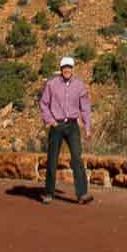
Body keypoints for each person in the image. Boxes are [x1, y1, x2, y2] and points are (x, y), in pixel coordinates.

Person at [38, 55, 92, 205]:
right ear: (61, 69)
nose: (67, 70)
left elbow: (85, 107)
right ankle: (49, 193)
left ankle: (82, 194)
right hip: (57, 125)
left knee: (77, 158)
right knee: (52, 159)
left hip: (73, 125)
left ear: (72, 69)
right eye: (64, 67)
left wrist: (87, 127)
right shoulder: (52, 84)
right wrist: (51, 121)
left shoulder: (79, 86)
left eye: (69, 67)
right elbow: (43, 104)